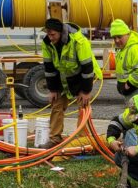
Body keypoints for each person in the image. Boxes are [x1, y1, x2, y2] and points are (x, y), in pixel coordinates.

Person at [42, 18, 101, 147]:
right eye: (48, 34)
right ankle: (54, 139)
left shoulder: (79, 42)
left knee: (83, 107)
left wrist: (85, 91)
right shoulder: (47, 43)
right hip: (63, 77)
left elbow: (87, 68)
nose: (50, 37)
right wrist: (53, 90)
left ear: (61, 32)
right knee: (56, 104)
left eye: (53, 35)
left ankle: (82, 140)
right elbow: (49, 68)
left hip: (82, 76)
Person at [109, 18, 138, 147]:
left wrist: (129, 84)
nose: (117, 40)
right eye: (114, 38)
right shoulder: (125, 49)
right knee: (133, 119)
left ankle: (136, 152)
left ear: (127, 34)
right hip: (135, 90)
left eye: (119, 37)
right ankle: (134, 148)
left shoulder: (135, 48)